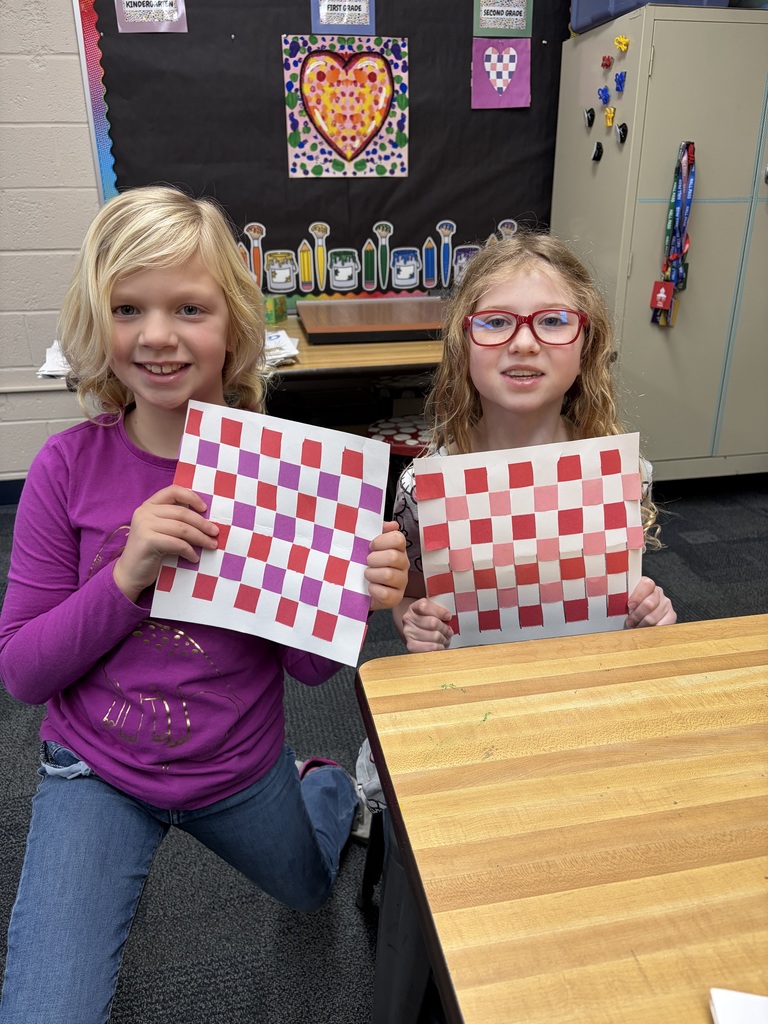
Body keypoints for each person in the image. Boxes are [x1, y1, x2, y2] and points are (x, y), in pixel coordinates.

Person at [0, 185, 409, 1024]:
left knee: (304, 891)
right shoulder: (67, 468)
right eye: (128, 308)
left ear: (232, 328)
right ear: (96, 320)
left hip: (237, 769)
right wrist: (125, 576)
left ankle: (322, 787)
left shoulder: (281, 472)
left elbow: (307, 666)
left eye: (189, 307)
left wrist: (352, 601)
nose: (156, 336)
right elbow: (23, 672)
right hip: (96, 771)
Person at [392, 231, 676, 652]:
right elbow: (413, 594)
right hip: (477, 694)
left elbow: (618, 596)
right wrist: (413, 623)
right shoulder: (424, 487)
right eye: (496, 322)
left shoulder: (622, 473)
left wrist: (649, 612)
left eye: (553, 321)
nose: (523, 343)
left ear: (586, 346)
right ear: (463, 345)